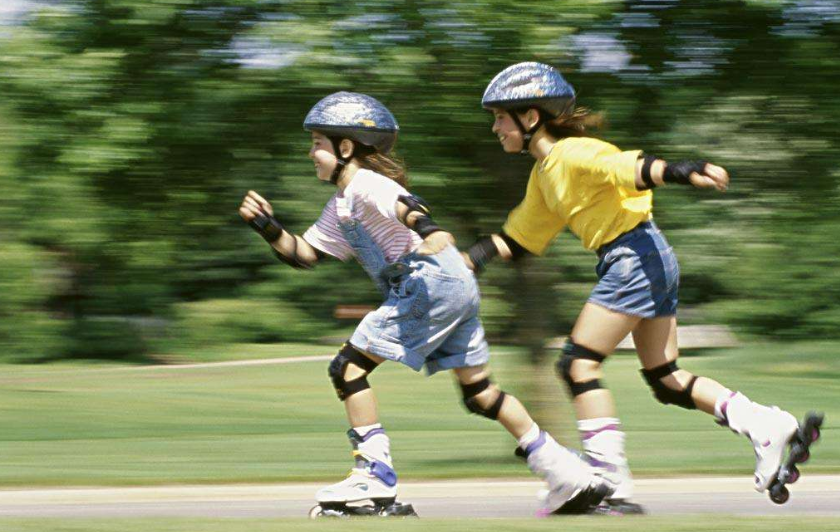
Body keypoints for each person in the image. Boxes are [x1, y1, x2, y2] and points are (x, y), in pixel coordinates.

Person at [463, 62, 822, 511]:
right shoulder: (545, 175)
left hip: (632, 257)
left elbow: (626, 167)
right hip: (646, 255)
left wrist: (683, 170)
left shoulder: (572, 154)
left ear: (530, 117)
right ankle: (765, 424)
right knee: (665, 378)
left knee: (578, 365)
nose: (495, 127)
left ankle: (609, 479)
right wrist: (472, 258)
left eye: (500, 117)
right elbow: (520, 236)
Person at [239, 91, 615, 517]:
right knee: (480, 394)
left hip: (428, 282)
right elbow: (303, 255)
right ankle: (566, 473)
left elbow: (405, 205)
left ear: (346, 147)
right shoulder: (340, 205)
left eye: (318, 145)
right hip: (454, 282)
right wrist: (268, 227)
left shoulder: (366, 184)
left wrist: (430, 229)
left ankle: (374, 476)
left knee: (347, 368)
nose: (312, 154)